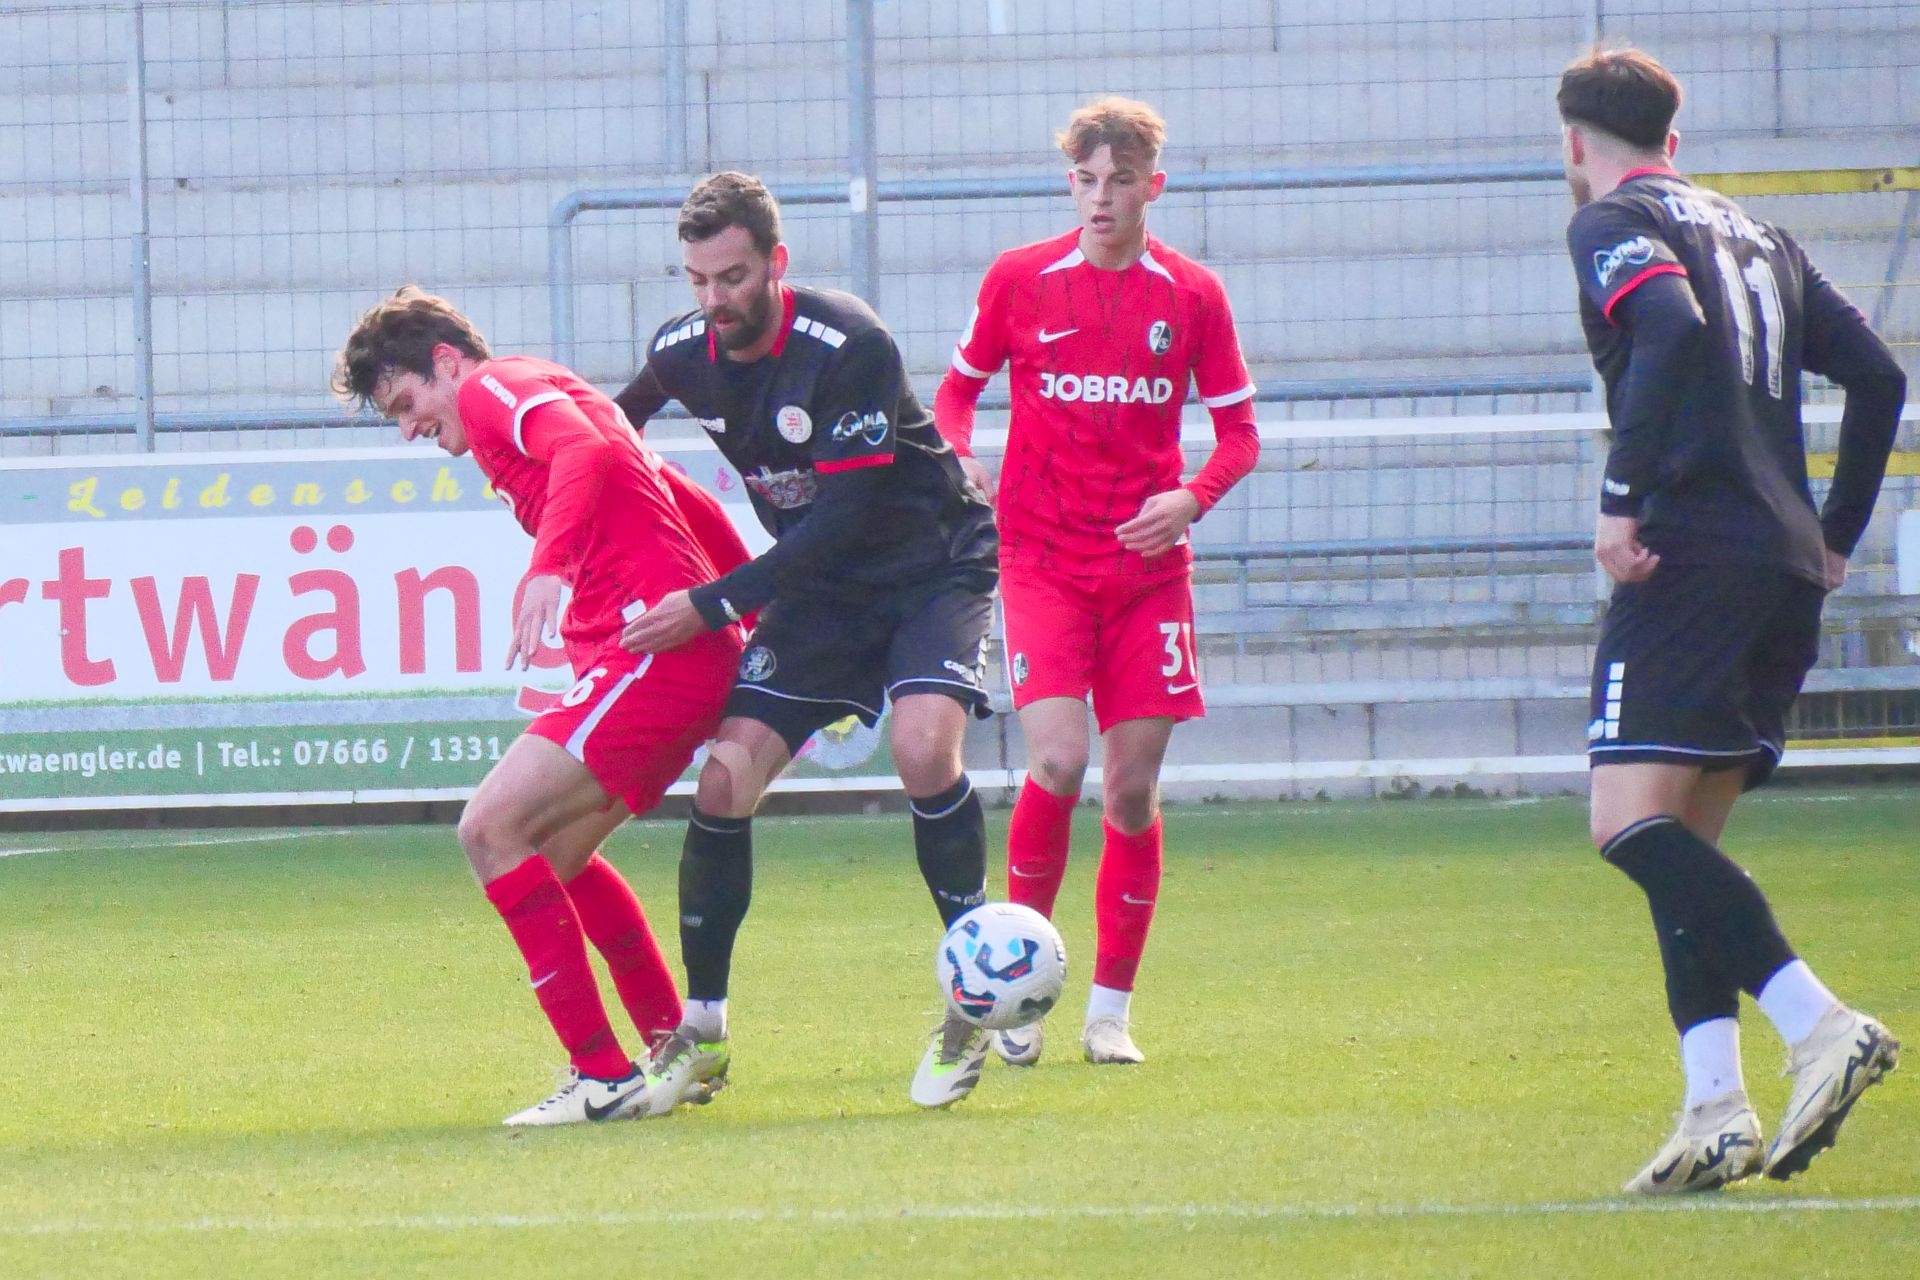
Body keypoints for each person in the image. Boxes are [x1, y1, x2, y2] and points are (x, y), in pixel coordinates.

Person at [1558, 49, 1904, 1192]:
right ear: (1676, 137)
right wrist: (1836, 532)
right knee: (1682, 844)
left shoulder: (1615, 219)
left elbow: (1665, 326)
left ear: (1576, 141)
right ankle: (1715, 1105)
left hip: (1690, 556)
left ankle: (1820, 1023)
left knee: (1623, 823)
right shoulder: (1763, 236)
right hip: (1780, 563)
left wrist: (1620, 497)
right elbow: (1881, 377)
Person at [613, 172, 1002, 1111]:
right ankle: (702, 1033)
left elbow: (845, 516)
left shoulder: (849, 344)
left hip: (929, 568)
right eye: (698, 280)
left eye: (733, 277)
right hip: (821, 594)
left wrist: (714, 603)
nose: (715, 301)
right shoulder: (682, 350)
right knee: (723, 780)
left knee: (923, 751)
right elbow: (612, 426)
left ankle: (976, 1000)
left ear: (775, 263)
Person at [333, 287, 749, 1126]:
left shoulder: (495, 389)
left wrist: (548, 568)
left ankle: (601, 1076)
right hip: (673, 650)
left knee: (488, 829)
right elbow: (677, 493)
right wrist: (748, 607)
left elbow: (586, 454)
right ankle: (675, 1049)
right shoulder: (544, 386)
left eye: (407, 403)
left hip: (650, 649)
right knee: (556, 853)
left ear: (447, 363)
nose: (410, 429)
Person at [932, 97, 1260, 1068]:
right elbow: (953, 393)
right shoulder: (1021, 279)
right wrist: (960, 455)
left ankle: (1109, 1010)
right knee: (1058, 761)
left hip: (1147, 574)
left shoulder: (1192, 295)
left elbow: (1240, 434)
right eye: (1086, 180)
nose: (1101, 197)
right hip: (1041, 562)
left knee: (1131, 788)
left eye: (1120, 181)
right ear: (1069, 183)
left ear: (1154, 185)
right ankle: (1017, 993)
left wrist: (1191, 498)